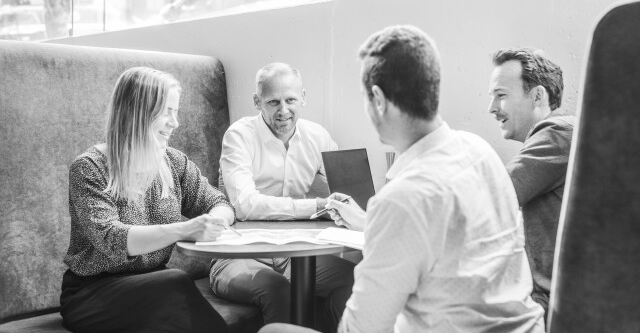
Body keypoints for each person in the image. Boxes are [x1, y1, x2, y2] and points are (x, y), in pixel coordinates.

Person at [260, 25, 545, 333]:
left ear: (378, 99)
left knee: (273, 332)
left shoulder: (400, 198)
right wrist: (370, 223)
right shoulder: (480, 150)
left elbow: (360, 330)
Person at [60, 67, 234, 333]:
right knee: (175, 282)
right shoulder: (89, 167)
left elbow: (220, 203)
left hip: (153, 285)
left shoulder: (173, 162)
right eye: (167, 112)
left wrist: (215, 222)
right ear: (138, 112)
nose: (175, 123)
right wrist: (184, 229)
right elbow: (112, 239)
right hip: (92, 293)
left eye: (176, 112)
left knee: (172, 300)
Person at [209, 63, 354, 332]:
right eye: (273, 102)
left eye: (291, 100)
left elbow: (348, 195)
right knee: (277, 289)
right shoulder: (239, 136)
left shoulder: (318, 137)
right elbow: (245, 206)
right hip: (237, 256)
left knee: (359, 280)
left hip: (295, 257)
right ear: (257, 102)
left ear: (303, 98)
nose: (283, 110)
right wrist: (316, 206)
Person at [488, 49, 575, 320]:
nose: (492, 108)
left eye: (501, 95)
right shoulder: (563, 134)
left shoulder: (557, 133)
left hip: (556, 309)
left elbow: (490, 199)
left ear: (537, 96)